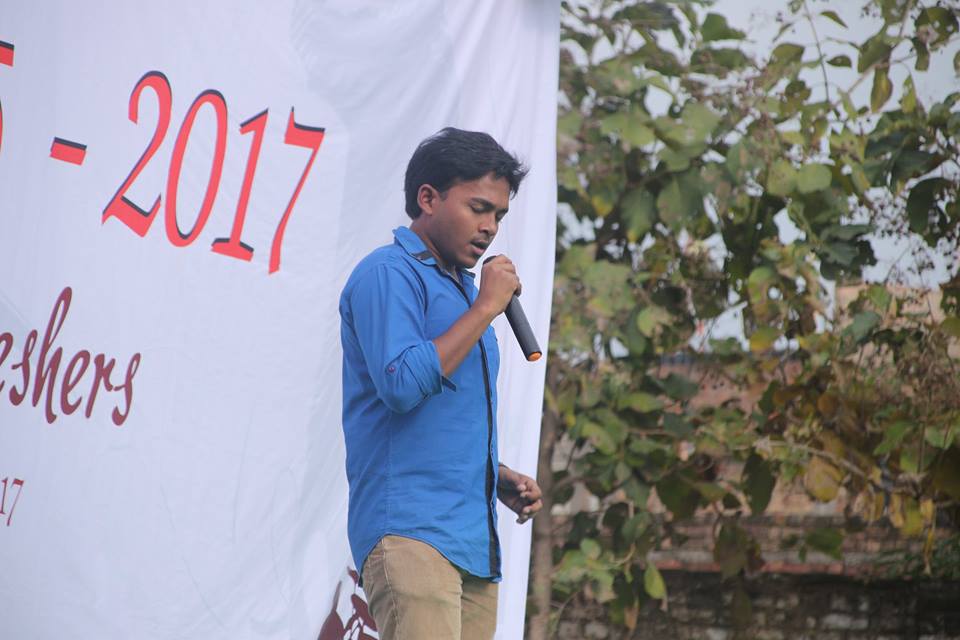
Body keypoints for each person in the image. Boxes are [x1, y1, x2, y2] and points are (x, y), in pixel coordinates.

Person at [339, 127, 543, 639]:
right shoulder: (388, 273)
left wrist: (494, 476)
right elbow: (402, 385)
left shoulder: (465, 294)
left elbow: (440, 416)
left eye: (499, 215)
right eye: (478, 208)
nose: (490, 227)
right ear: (428, 198)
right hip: (411, 532)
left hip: (472, 545)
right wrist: (486, 307)